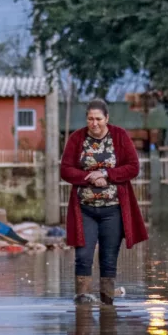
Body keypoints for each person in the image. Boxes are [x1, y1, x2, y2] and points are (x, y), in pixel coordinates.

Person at [60, 98, 149, 304]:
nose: (94, 123)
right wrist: (88, 176)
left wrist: (106, 175)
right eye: (90, 119)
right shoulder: (76, 138)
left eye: (98, 118)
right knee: (83, 255)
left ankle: (107, 299)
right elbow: (65, 169)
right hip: (85, 209)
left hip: (113, 209)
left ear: (107, 118)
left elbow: (133, 167)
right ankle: (82, 296)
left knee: (109, 258)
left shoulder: (120, 136)